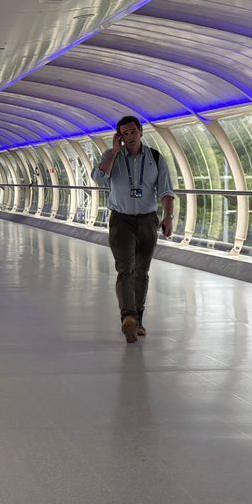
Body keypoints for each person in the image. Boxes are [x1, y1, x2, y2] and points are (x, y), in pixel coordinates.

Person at [92, 115, 176, 342]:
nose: (129, 136)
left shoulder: (156, 158)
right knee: (125, 269)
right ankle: (127, 316)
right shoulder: (112, 157)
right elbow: (99, 179)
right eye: (124, 133)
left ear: (140, 131)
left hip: (148, 219)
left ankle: (137, 318)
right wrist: (114, 151)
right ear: (119, 136)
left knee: (142, 271)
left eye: (132, 131)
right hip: (121, 220)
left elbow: (166, 190)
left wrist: (168, 217)